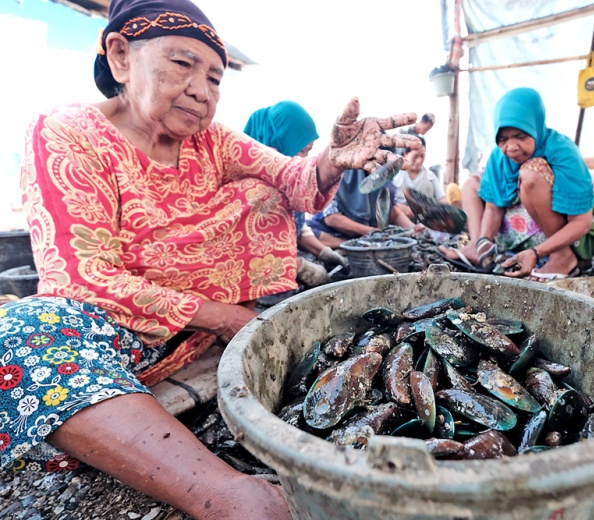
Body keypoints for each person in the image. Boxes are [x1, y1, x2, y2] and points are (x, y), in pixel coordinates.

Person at [0, 1, 420, 518]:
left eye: (216, 78)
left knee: (264, 192)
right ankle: (230, 495)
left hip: (191, 337)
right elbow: (81, 276)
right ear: (120, 56)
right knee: (20, 329)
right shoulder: (67, 134)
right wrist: (228, 319)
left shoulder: (212, 141)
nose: (202, 89)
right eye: (182, 65)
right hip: (108, 334)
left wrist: (332, 157)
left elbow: (294, 181)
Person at [438, 87, 594, 281]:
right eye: (503, 139)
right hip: (517, 229)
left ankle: (562, 257)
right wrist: (484, 239)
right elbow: (493, 208)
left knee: (531, 172)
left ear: (536, 127)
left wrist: (538, 253)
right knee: (471, 184)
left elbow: (582, 223)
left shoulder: (563, 151)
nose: (511, 147)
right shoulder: (498, 157)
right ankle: (476, 248)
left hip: (562, 235)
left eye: (520, 137)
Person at [243, 101, 349, 287]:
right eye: (302, 151)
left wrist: (323, 252)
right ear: (279, 141)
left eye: (309, 150)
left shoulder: (289, 181)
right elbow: (248, 249)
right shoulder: (249, 187)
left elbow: (296, 227)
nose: (305, 159)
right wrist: (300, 267)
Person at [392, 137, 447, 219]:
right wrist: (405, 210)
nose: (419, 160)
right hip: (400, 216)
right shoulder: (395, 174)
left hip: (424, 217)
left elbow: (442, 199)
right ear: (405, 154)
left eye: (422, 156)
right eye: (415, 156)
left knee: (426, 185)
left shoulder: (429, 176)